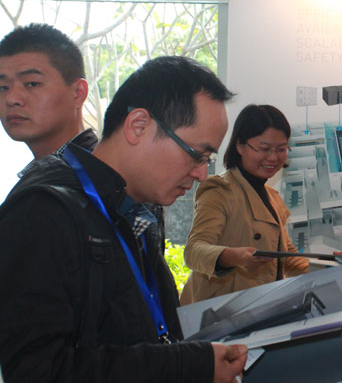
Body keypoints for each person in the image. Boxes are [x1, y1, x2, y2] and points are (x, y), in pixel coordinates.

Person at [0, 56, 246, 383]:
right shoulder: (42, 213)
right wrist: (187, 365)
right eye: (196, 155)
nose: (202, 174)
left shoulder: (137, 210)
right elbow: (38, 371)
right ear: (138, 126)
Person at [180, 104, 308, 304]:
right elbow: (194, 250)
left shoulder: (272, 196)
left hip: (258, 307)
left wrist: (336, 270)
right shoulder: (220, 190)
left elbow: (286, 256)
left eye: (281, 149)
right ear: (240, 146)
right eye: (264, 149)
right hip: (221, 311)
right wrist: (231, 256)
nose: (273, 157)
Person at [0, 23, 95, 159]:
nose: (11, 99)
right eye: (3, 87)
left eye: (32, 84)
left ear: (78, 93)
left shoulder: (91, 169)